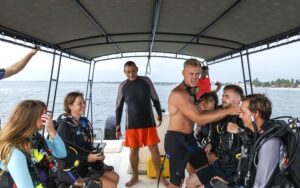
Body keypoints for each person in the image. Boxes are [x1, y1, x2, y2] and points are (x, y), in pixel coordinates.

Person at [165, 58, 240, 188]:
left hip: (189, 139)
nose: (194, 77)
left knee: (204, 169)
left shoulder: (192, 91)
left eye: (197, 74)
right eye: (191, 73)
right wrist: (228, 110)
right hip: (176, 141)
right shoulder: (179, 93)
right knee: (177, 182)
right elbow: (198, 119)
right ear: (183, 73)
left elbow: (200, 113)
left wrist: (224, 110)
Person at [115, 61, 169, 187]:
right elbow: (118, 106)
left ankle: (159, 177)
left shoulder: (146, 81)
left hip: (148, 122)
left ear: (137, 69)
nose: (131, 74)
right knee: (133, 151)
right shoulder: (122, 86)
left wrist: (159, 114)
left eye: (133, 71)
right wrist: (117, 126)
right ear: (124, 72)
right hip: (132, 124)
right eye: (128, 72)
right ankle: (135, 177)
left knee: (154, 149)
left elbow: (155, 98)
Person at [186, 84, 245, 188]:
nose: (222, 98)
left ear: (237, 99)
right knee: (190, 181)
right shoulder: (221, 112)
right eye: (222, 96)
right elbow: (205, 118)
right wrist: (210, 143)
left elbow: (253, 139)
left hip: (234, 170)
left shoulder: (244, 117)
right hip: (221, 164)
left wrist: (238, 130)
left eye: (226, 96)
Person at [56, 91, 119, 188]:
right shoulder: (64, 126)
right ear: (70, 106)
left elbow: (84, 147)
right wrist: (87, 157)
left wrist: (96, 155)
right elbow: (63, 155)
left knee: (115, 177)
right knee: (111, 186)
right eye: (80, 103)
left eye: (84, 102)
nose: (84, 105)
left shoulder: (82, 124)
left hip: (84, 165)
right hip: (70, 170)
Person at [0, 100, 67, 188]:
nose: (47, 118)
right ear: (31, 118)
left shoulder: (35, 139)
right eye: (44, 115)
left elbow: (61, 153)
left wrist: (52, 131)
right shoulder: (14, 151)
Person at [186, 91, 219, 175]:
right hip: (202, 147)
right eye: (202, 103)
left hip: (214, 149)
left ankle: (200, 178)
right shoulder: (202, 117)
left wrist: (211, 143)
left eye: (205, 103)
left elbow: (217, 136)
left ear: (213, 102)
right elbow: (198, 136)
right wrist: (199, 127)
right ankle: (194, 178)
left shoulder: (218, 117)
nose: (202, 105)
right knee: (184, 154)